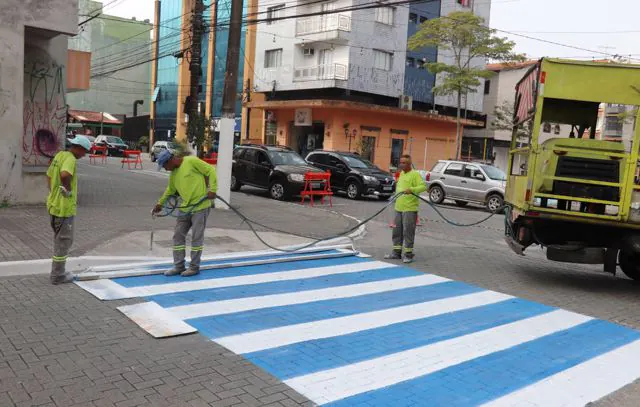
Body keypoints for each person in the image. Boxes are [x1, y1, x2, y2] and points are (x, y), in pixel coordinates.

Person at [152, 150, 217, 277]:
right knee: (178, 236)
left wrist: (212, 189)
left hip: (200, 206)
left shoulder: (191, 161)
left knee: (196, 237)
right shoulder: (174, 174)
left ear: (171, 160)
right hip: (185, 207)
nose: (166, 169)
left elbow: (210, 170)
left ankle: (194, 267)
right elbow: (170, 190)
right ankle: (178, 265)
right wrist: (160, 203)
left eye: (165, 166)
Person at [46, 136, 91, 284]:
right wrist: (68, 190)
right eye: (84, 152)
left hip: (53, 205)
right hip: (64, 209)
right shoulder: (70, 158)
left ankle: (57, 272)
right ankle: (58, 275)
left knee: (58, 240)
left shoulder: (59, 155)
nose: (83, 155)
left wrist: (54, 191)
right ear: (78, 148)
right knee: (64, 242)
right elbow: (65, 175)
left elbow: (49, 176)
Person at [385, 154, 426, 264]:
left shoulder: (415, 175)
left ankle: (408, 254)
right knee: (397, 231)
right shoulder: (401, 174)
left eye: (404, 163)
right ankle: (396, 252)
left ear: (409, 164)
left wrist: (412, 189)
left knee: (408, 231)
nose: (401, 164)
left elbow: (423, 187)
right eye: (401, 162)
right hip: (398, 207)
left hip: (409, 209)